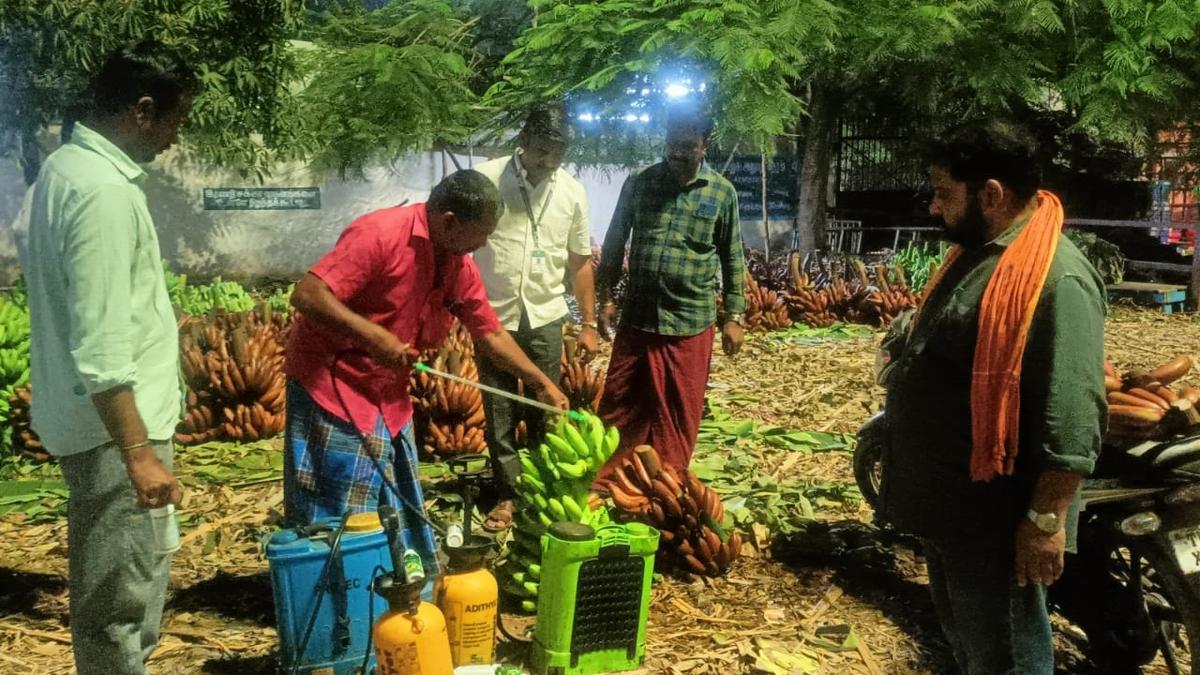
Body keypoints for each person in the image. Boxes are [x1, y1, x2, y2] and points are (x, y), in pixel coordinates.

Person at [879, 120, 1105, 674]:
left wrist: (1045, 521)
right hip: (952, 506)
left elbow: (1071, 414)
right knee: (971, 645)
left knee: (1005, 654)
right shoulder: (983, 253)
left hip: (995, 519)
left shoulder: (1056, 279)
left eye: (943, 192)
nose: (933, 207)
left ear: (993, 194)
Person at [283, 169, 569, 574]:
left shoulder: (457, 264)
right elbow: (308, 294)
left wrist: (540, 382)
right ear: (449, 221)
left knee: (396, 498)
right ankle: (335, 592)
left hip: (388, 395)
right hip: (334, 385)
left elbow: (490, 333)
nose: (483, 244)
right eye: (480, 234)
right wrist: (373, 337)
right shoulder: (379, 234)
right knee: (338, 504)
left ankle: (393, 581)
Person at [16, 43, 197, 674]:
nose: (176, 138)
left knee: (123, 590)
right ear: (143, 111)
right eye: (176, 121)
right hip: (115, 434)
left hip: (99, 428)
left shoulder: (63, 173)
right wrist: (139, 453)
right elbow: (101, 341)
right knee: (121, 605)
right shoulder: (100, 193)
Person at [594, 107, 747, 476]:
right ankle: (608, 481)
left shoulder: (722, 193)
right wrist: (607, 297)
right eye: (671, 145)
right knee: (619, 402)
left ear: (704, 145)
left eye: (686, 146)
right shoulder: (639, 182)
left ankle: (666, 484)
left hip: (691, 320)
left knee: (678, 410)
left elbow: (732, 256)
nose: (677, 154)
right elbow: (615, 241)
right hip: (639, 316)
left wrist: (735, 316)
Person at [473, 107, 597, 530]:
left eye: (557, 153)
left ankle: (545, 489)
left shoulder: (573, 191)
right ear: (523, 139)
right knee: (499, 407)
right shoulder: (487, 179)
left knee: (546, 405)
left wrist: (589, 323)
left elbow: (580, 262)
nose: (548, 161)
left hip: (545, 314)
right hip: (494, 315)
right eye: (542, 150)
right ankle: (508, 494)